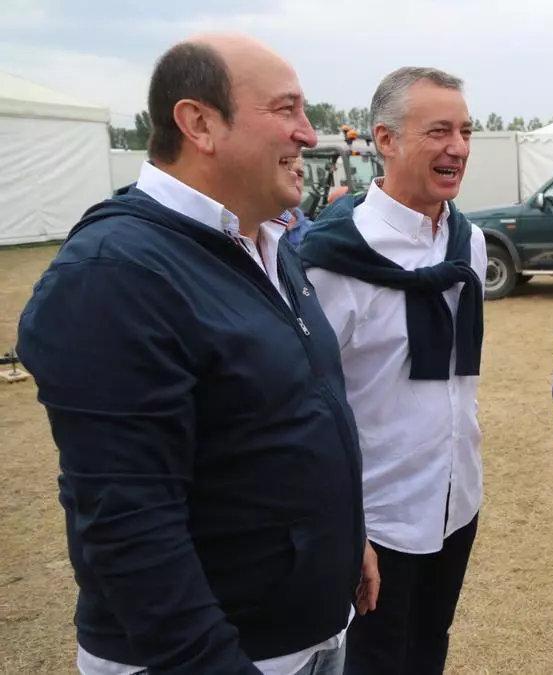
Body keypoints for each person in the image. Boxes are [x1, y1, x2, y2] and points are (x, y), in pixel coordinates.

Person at [17, 35, 376, 674]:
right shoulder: (115, 275)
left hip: (307, 636)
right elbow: (129, 530)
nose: (307, 133)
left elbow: (289, 417)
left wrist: (347, 542)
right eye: (287, 109)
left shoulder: (262, 243)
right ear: (200, 123)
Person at [300, 67, 485, 674]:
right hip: (376, 519)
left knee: (430, 647)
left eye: (464, 130)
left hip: (456, 499)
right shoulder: (331, 258)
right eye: (438, 130)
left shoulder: (469, 242)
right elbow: (307, 407)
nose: (457, 146)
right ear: (385, 140)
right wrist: (344, 525)